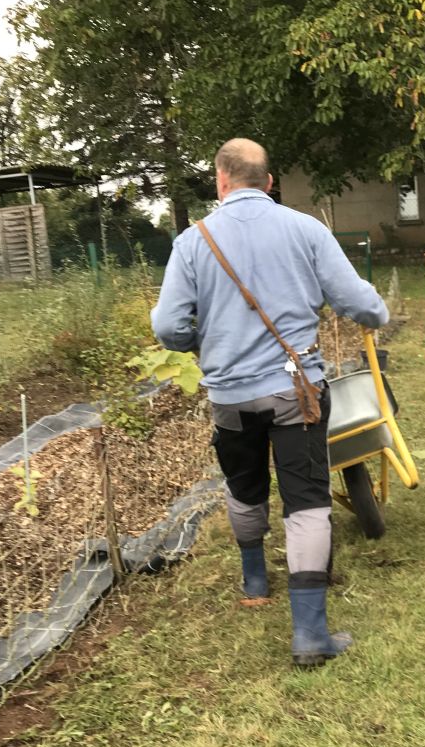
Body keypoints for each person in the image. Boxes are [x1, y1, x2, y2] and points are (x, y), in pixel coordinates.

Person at [151, 138, 389, 666]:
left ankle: (256, 582)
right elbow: (358, 302)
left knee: (244, 485)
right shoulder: (306, 230)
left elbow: (168, 327)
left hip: (231, 397)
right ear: (270, 182)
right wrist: (379, 313)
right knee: (306, 502)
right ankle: (310, 635)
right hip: (296, 394)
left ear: (221, 180)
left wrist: (201, 340)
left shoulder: (192, 242)